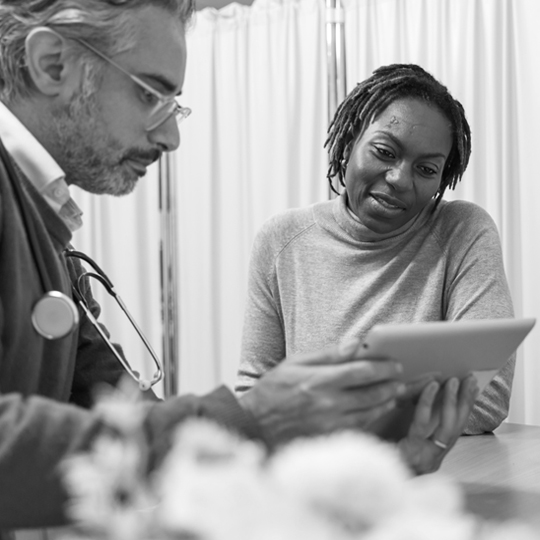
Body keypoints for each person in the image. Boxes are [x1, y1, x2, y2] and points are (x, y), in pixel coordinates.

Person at [0, 1, 478, 533]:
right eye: (152, 94)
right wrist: (254, 418)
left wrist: (372, 466)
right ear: (52, 64)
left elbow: (122, 420)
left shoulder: (45, 226)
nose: (170, 137)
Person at [236, 63, 514, 437]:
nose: (400, 178)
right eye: (385, 151)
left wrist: (318, 411)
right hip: (312, 475)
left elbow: (484, 399)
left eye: (427, 169)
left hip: (429, 474)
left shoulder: (463, 232)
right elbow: (256, 402)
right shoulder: (281, 241)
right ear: (350, 142)